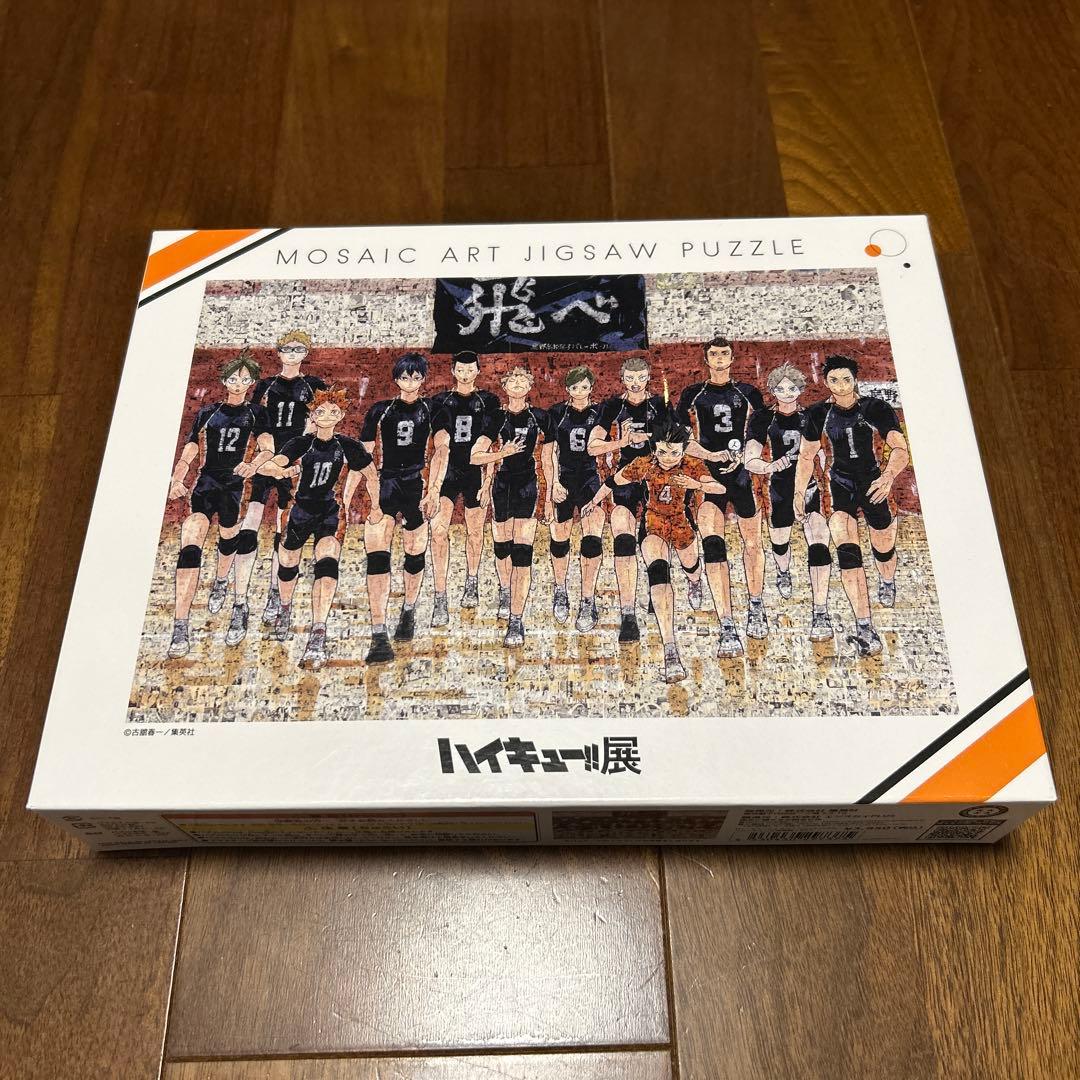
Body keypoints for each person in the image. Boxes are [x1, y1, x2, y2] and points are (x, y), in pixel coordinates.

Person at [582, 411, 725, 682]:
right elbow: (613, 481)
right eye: (662, 452)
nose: (668, 458)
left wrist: (696, 484)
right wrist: (593, 502)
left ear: (683, 450)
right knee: (659, 574)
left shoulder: (692, 464)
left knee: (691, 566)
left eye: (674, 453)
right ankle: (670, 650)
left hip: (681, 524)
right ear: (655, 448)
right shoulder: (644, 464)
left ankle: (695, 581)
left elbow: (719, 488)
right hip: (654, 524)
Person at [794, 354, 909, 657]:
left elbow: (900, 449)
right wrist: (798, 492)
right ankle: (865, 627)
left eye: (846, 379)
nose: (841, 386)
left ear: (855, 379)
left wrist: (888, 477)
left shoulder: (876, 408)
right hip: (839, 487)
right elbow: (806, 456)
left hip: (874, 484)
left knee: (884, 548)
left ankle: (887, 579)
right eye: (834, 380)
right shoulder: (818, 413)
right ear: (826, 382)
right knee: (849, 555)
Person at [258, 387, 380, 669]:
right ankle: (285, 607)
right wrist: (281, 470)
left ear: (341, 415)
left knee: (326, 563)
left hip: (330, 512)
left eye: (333, 412)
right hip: (299, 510)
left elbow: (372, 475)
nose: (327, 416)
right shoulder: (300, 443)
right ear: (312, 415)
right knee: (288, 563)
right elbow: (268, 466)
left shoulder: (348, 446)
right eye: (321, 411)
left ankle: (318, 632)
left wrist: (375, 506)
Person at [166, 351, 274, 657]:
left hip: (235, 487)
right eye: (233, 378)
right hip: (205, 484)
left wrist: (253, 465)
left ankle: (223, 582)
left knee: (229, 541)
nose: (238, 383)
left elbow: (267, 448)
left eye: (245, 379)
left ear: (251, 383)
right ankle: (180, 624)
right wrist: (177, 478)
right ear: (224, 380)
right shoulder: (208, 412)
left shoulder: (257, 413)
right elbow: (189, 450)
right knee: (190, 545)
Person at [676, 336, 767, 656]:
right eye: (713, 354)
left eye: (724, 353)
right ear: (706, 359)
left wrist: (744, 456)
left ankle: (756, 605)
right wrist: (712, 456)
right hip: (708, 475)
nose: (718, 358)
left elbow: (759, 432)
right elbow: (680, 439)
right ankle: (727, 624)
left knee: (752, 543)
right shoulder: (692, 393)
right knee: (713, 545)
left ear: (732, 358)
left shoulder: (748, 392)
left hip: (741, 476)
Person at [744, 362, 834, 641]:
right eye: (781, 389)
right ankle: (783, 571)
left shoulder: (812, 416)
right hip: (779, 489)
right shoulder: (763, 418)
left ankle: (820, 610)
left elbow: (824, 452)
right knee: (780, 543)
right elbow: (750, 458)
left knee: (819, 543)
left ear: (800, 389)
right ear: (773, 390)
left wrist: (822, 467)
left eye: (792, 388)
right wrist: (771, 466)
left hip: (810, 487)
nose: (787, 393)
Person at [244, 330, 327, 628]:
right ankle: (240, 596)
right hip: (267, 460)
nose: (292, 353)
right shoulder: (266, 385)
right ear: (278, 352)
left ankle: (274, 593)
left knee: (284, 527)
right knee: (251, 520)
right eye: (287, 348)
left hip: (293, 462)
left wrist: (299, 457)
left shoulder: (314, 385)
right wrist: (261, 458)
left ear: (306, 353)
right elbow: (253, 420)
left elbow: (318, 424)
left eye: (298, 349)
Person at [359, 353, 435, 662]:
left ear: (423, 379)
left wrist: (434, 490)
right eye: (405, 377)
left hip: (416, 484)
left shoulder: (431, 409)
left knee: (414, 552)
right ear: (396, 380)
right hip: (386, 481)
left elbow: (442, 449)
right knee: (378, 554)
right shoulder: (381, 410)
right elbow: (363, 458)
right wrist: (370, 497)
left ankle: (409, 610)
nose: (410, 383)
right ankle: (378, 632)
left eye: (416, 377)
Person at [587, 355, 668, 644]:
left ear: (648, 378)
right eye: (630, 378)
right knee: (623, 537)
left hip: (656, 476)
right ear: (622, 379)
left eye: (641, 377)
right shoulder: (612, 406)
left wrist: (653, 439)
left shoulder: (659, 404)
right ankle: (628, 614)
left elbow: (679, 439)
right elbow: (592, 446)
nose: (636, 383)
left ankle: (656, 589)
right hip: (625, 477)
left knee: (654, 537)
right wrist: (621, 442)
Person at [470, 365, 553, 647]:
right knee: (502, 548)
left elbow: (550, 458)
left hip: (527, 485)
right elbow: (475, 456)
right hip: (502, 485)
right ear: (505, 387)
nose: (517, 384)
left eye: (522, 380)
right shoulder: (496, 417)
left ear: (530, 386)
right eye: (512, 381)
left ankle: (516, 619)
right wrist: (501, 454)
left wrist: (550, 495)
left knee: (522, 553)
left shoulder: (540, 416)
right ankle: (505, 590)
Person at [427, 351, 501, 626]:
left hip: (474, 471)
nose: (465, 374)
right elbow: (441, 444)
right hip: (448, 471)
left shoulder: (489, 401)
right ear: (453, 371)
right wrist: (434, 487)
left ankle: (472, 578)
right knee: (438, 531)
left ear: (478, 371)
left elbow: (488, 444)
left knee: (475, 531)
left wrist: (488, 480)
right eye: (461, 369)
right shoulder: (440, 401)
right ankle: (440, 595)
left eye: (470, 369)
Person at [545, 366, 607, 632]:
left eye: (584, 387)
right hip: (565, 479)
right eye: (574, 387)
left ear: (591, 388)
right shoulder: (557, 413)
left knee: (591, 540)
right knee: (560, 539)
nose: (579, 392)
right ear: (567, 389)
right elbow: (549, 452)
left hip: (589, 479)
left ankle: (587, 599)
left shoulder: (600, 412)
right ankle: (560, 588)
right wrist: (553, 484)